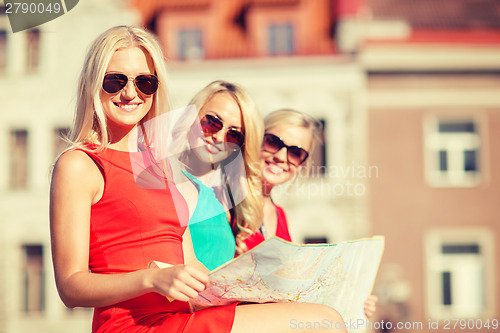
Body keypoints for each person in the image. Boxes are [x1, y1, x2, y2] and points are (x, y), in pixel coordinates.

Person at [50, 26, 348, 332]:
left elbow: (193, 268)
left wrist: (261, 294)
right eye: (115, 80)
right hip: (134, 325)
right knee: (324, 323)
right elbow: (70, 287)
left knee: (323, 317)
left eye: (145, 82)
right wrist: (150, 279)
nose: (130, 93)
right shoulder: (79, 164)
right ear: (93, 83)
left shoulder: (162, 166)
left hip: (184, 317)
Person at [236, 109, 378, 318]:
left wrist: (351, 299)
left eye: (295, 153)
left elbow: (286, 292)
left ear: (302, 165)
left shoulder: (281, 217)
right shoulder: (228, 200)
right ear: (257, 139)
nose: (281, 157)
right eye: (273, 142)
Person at [181, 80, 264, 271]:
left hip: (217, 299)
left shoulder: (232, 200)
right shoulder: (165, 178)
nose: (219, 137)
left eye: (234, 135)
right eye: (212, 122)